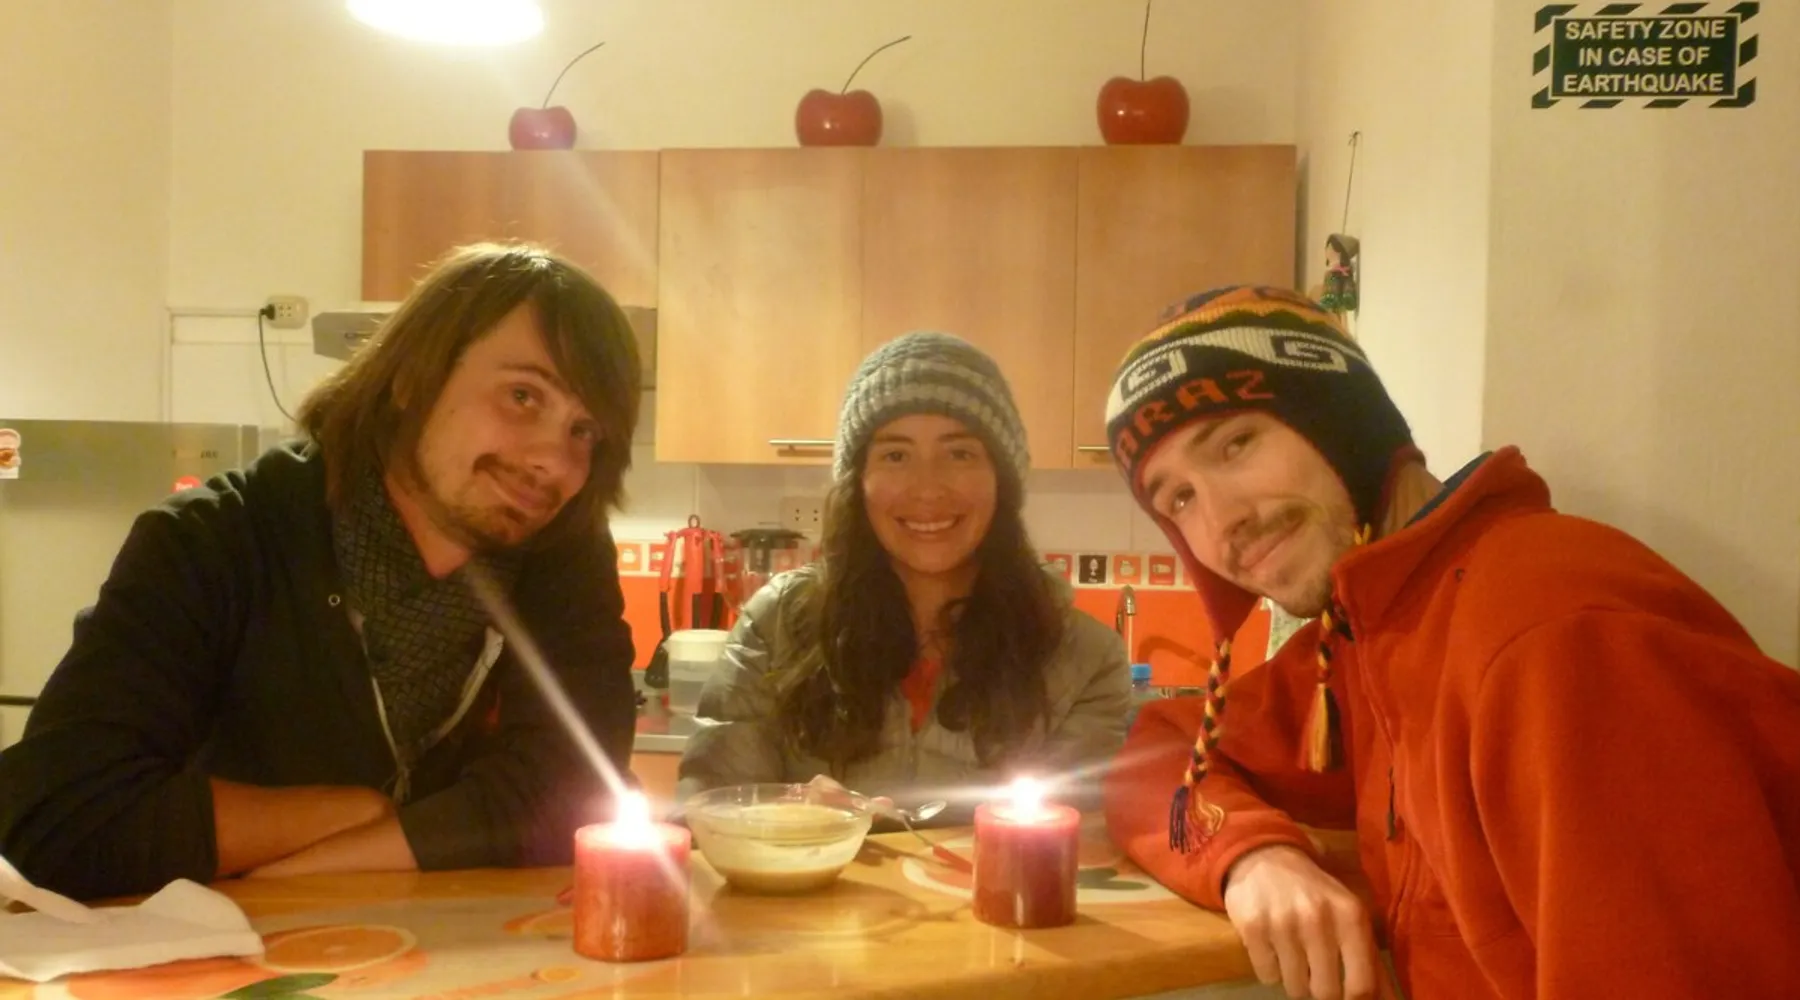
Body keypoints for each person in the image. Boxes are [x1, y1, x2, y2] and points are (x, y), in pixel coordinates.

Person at [1099, 285, 1800, 999]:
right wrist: (1252, 858)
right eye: (1178, 498)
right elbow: (1156, 756)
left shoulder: (1553, 637)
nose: (1221, 521)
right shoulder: (1370, 632)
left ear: (1340, 420)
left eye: (1236, 444)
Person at [0, 243, 644, 900]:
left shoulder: (561, 561)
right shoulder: (215, 542)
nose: (554, 462)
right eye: (523, 396)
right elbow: (55, 818)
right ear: (412, 379)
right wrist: (354, 812)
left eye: (584, 431)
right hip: (224, 951)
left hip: (458, 950)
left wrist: (323, 863)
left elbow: (577, 789)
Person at [677, 332, 1130, 818]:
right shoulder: (775, 626)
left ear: (1002, 479)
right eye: (895, 455)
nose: (927, 488)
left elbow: (1080, 843)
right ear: (858, 481)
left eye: (960, 453)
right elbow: (707, 814)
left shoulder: (1085, 659)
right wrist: (789, 815)